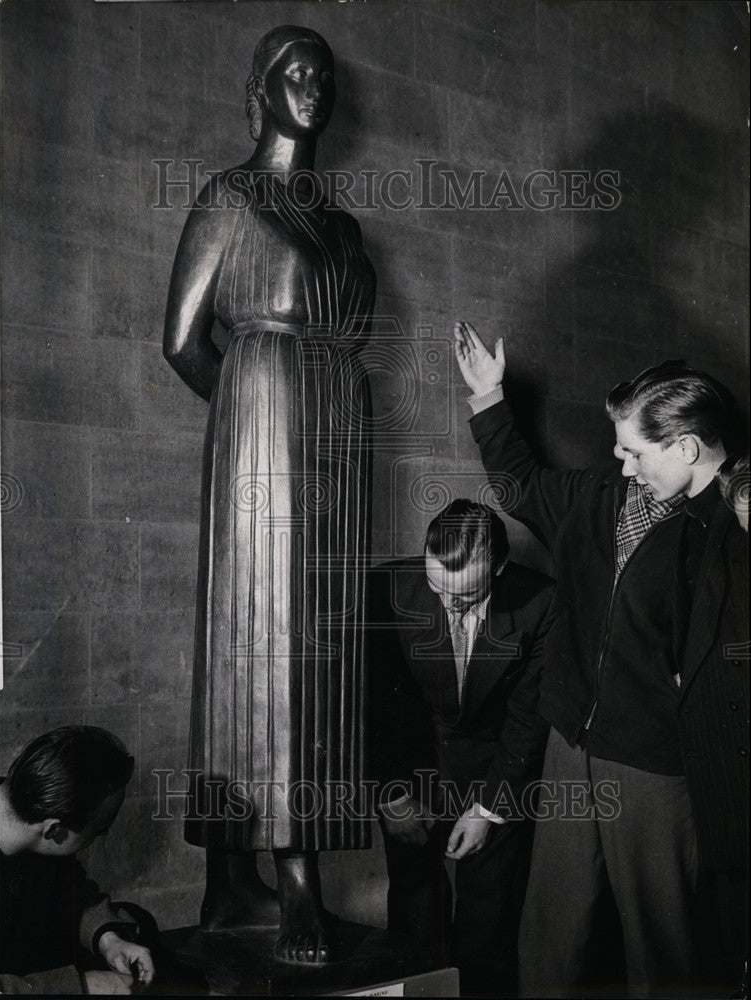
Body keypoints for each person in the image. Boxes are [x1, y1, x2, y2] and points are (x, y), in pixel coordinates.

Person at [163, 25, 376, 963]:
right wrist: (251, 422)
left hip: (333, 440)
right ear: (257, 89)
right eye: (293, 74)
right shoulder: (229, 197)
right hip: (260, 433)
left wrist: (312, 426)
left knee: (320, 651)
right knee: (260, 646)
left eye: (322, 77)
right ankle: (282, 882)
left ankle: (250, 882)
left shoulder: (342, 223)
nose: (312, 88)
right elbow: (181, 340)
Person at [454, 322, 748, 998]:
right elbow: (522, 485)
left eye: (633, 452)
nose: (621, 466)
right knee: (551, 928)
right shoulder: (601, 497)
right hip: (569, 737)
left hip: (653, 761)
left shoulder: (728, 526)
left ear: (684, 446)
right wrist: (488, 398)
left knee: (660, 942)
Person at [368, 499, 554, 997]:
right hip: (411, 769)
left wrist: (489, 809)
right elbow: (373, 702)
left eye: (466, 594)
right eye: (437, 588)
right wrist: (391, 794)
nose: (450, 605)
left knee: (487, 925)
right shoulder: (386, 587)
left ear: (498, 567)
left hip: (495, 775)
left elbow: (528, 719)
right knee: (414, 909)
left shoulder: (542, 603)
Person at [0, 726, 157, 995]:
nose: (102, 836)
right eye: (98, 830)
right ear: (54, 831)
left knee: (139, 924)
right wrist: (81, 985)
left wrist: (108, 939)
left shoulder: (27, 803)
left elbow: (68, 890)